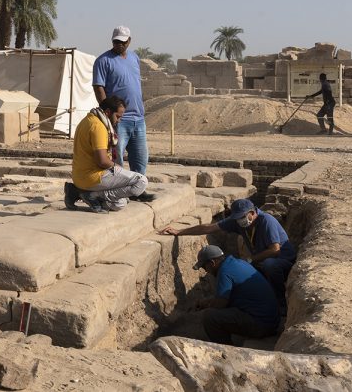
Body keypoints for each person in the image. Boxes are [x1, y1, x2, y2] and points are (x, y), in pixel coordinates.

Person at [160, 199, 296, 301]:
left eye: (243, 217)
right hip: (260, 261)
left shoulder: (267, 221)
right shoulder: (237, 222)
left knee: (268, 265)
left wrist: (250, 260)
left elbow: (275, 250)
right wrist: (179, 231)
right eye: (237, 218)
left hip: (283, 262)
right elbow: (208, 228)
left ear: (253, 213)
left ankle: (281, 302)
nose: (240, 221)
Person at [92, 25, 154, 202]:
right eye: (116, 41)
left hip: (138, 118)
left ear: (129, 41)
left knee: (140, 158)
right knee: (116, 160)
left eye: (122, 41)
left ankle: (137, 190)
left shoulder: (134, 57)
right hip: (119, 119)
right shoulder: (103, 61)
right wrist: (108, 112)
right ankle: (118, 192)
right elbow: (99, 87)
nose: (119, 44)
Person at [64, 95, 149, 213]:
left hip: (80, 177)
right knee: (141, 181)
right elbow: (102, 161)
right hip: (93, 177)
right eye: (118, 117)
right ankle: (92, 195)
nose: (119, 120)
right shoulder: (98, 126)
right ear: (108, 112)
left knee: (120, 203)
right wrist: (118, 168)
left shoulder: (88, 119)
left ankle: (80, 192)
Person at [191, 245, 280, 345]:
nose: (206, 271)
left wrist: (207, 305)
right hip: (273, 321)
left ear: (212, 263)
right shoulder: (237, 263)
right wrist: (206, 302)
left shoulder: (224, 272)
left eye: (204, 266)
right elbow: (226, 296)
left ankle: (226, 351)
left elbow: (220, 305)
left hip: (262, 325)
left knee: (210, 317)